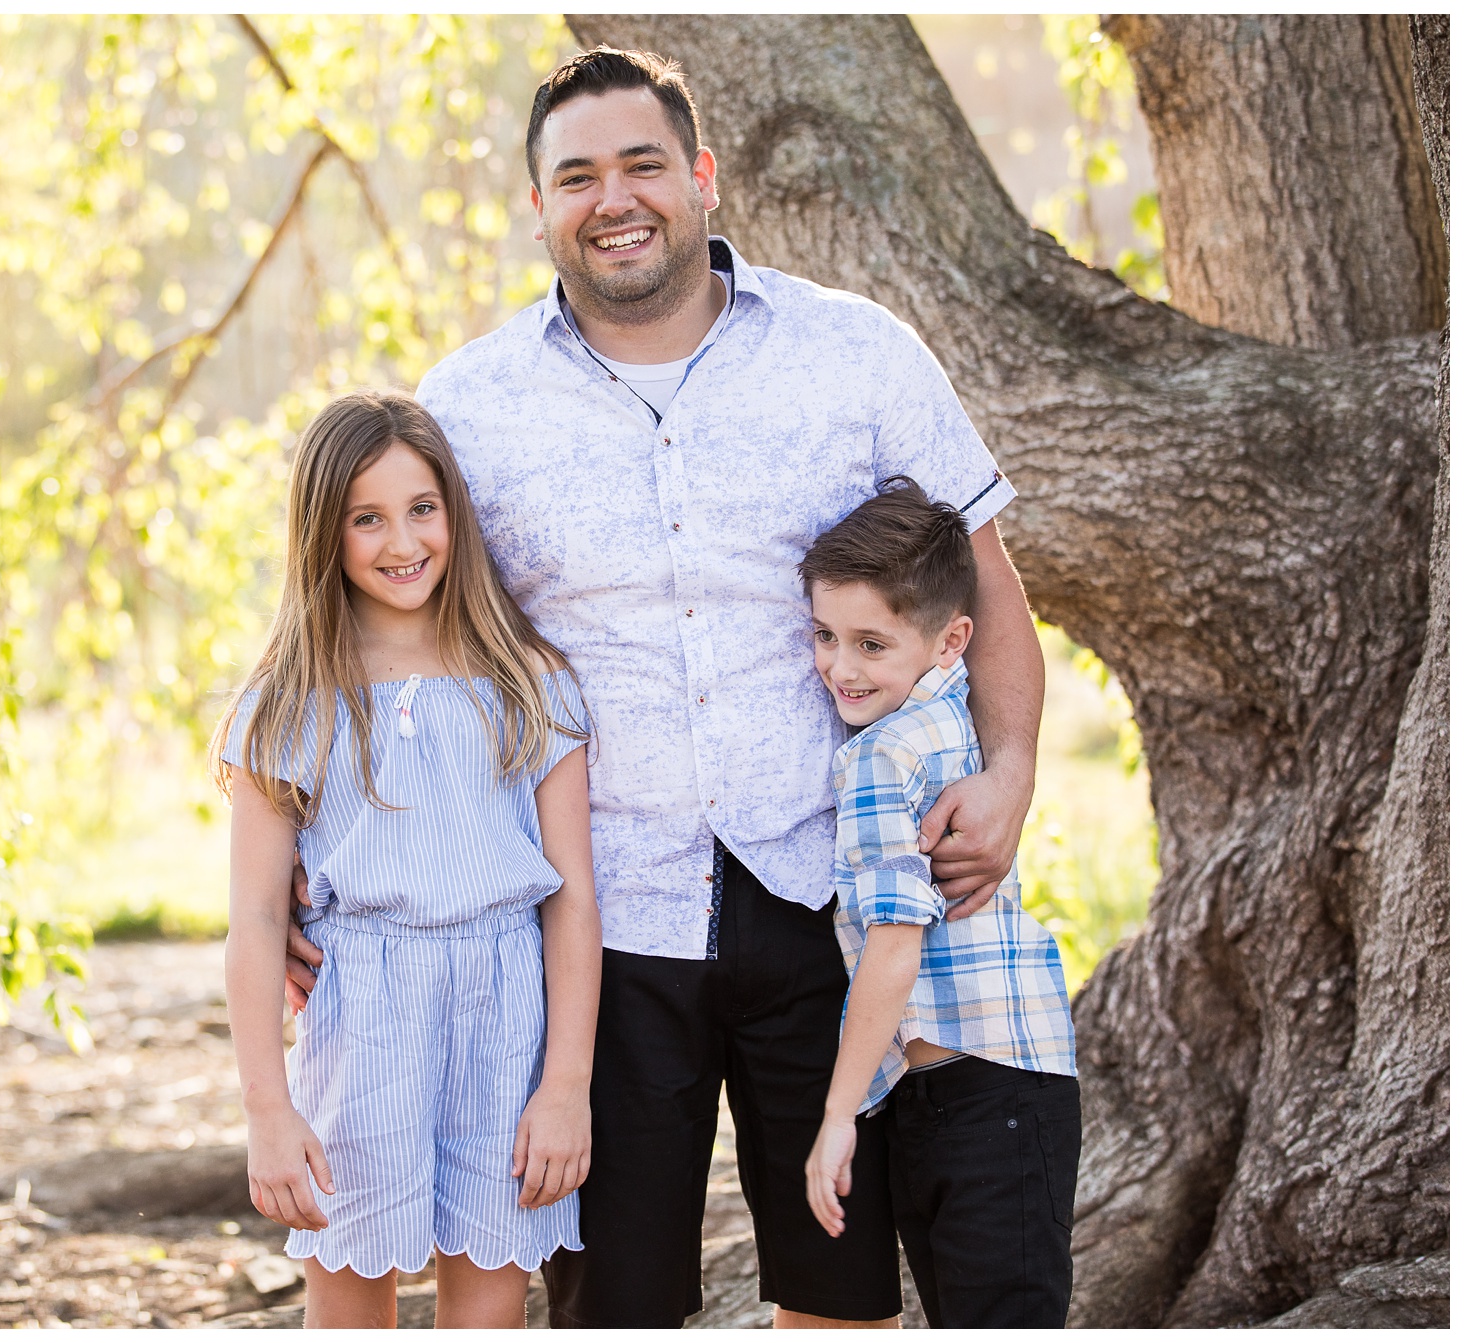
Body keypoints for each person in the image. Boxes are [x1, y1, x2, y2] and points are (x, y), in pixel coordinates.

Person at [288, 47, 1046, 1327]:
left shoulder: (853, 354)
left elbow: (984, 580)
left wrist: (1012, 772)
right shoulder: (470, 405)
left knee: (838, 1276)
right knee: (611, 1299)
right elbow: (387, 636)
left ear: (699, 176)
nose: (612, 197)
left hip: (828, 888)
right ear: (538, 206)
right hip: (597, 916)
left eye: (640, 163)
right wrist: (310, 872)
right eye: (574, 175)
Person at [218, 390, 602, 1329]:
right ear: (325, 533)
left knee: (489, 1305)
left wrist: (566, 1085)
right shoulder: (289, 701)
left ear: (454, 515)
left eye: (422, 507)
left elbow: (574, 902)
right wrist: (268, 1109)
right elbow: (258, 918)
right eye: (367, 517)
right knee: (351, 1303)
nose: (403, 539)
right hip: (365, 1023)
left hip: (507, 1019)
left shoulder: (530, 681)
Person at [800, 479, 1079, 1328]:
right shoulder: (946, 717)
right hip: (970, 1089)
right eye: (824, 635)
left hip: (984, 1092)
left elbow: (894, 947)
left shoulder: (883, 753)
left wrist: (838, 1113)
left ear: (952, 639)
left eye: (871, 644)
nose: (841, 667)